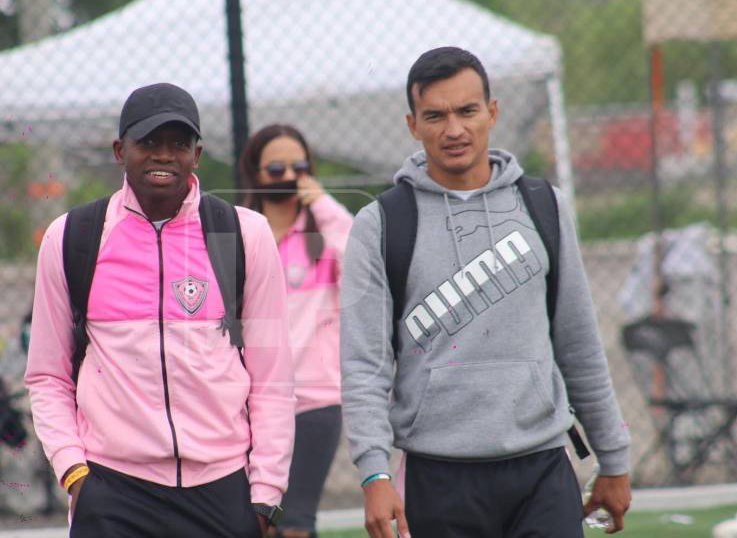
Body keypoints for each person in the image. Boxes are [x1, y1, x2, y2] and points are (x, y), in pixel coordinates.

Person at [340, 47, 632, 538]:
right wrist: (374, 473)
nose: (453, 129)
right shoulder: (382, 223)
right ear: (413, 124)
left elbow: (579, 343)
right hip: (439, 476)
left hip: (542, 468)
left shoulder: (544, 206)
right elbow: (363, 365)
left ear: (492, 113)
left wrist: (614, 459)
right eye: (435, 115)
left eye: (467, 111)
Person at [25, 83, 295, 537]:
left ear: (197, 153)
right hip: (111, 488)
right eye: (148, 142)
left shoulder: (244, 235)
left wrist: (265, 492)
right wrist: (74, 473)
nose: (163, 155)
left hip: (222, 486)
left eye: (178, 144)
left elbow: (273, 376)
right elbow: (47, 376)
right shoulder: (71, 237)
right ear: (119, 150)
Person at [240, 124, 353, 538]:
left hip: (314, 402)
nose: (289, 176)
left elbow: (361, 261)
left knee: (295, 526)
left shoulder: (322, 233)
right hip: (249, 405)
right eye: (275, 167)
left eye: (300, 166)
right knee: (255, 524)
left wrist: (322, 203)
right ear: (254, 172)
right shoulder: (243, 235)